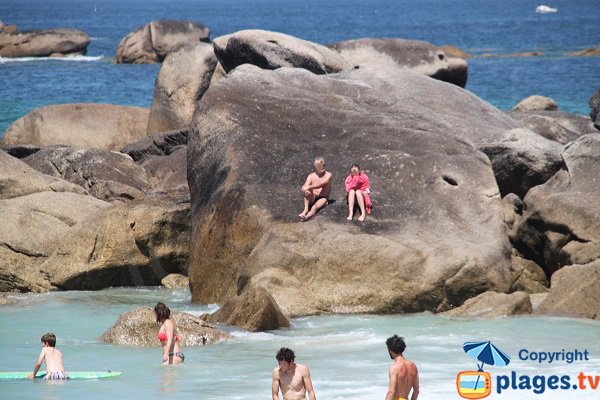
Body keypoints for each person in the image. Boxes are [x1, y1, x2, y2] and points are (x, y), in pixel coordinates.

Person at [298, 157, 333, 222]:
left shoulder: (329, 175)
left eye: (323, 165)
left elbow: (321, 184)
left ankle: (307, 217)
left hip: (323, 197)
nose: (322, 167)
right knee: (308, 190)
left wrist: (308, 187)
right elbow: (304, 186)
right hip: (313, 197)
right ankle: (305, 210)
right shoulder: (311, 176)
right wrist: (305, 190)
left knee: (314, 207)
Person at [385, 335, 419, 400]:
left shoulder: (394, 367)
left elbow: (391, 392)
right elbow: (416, 391)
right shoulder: (413, 366)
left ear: (390, 350)